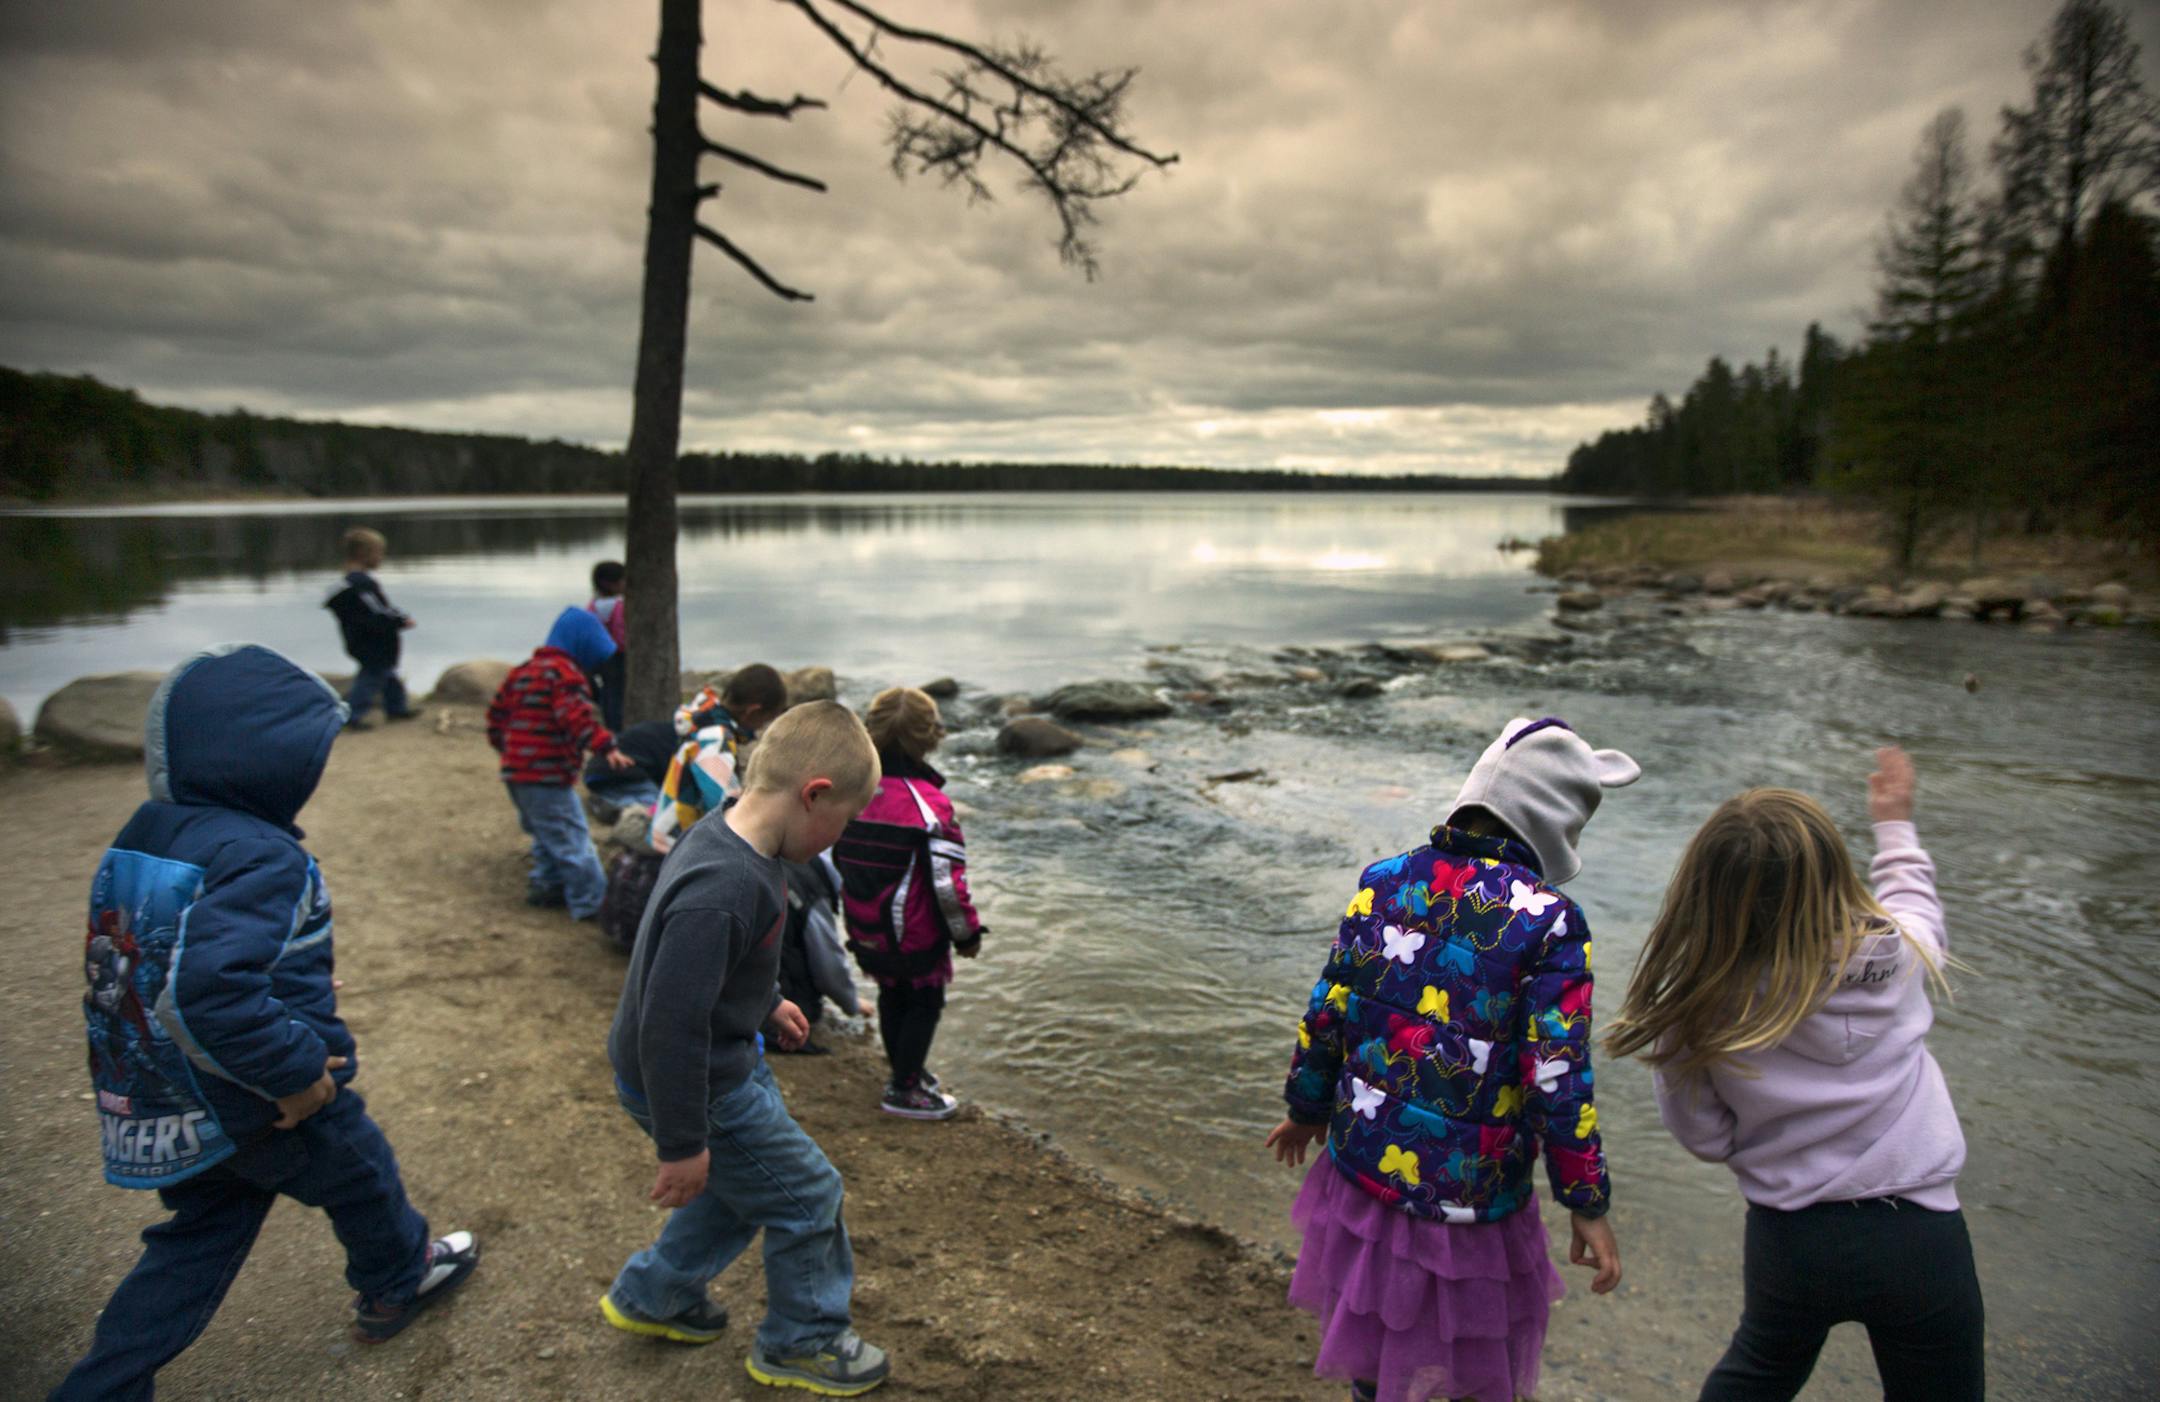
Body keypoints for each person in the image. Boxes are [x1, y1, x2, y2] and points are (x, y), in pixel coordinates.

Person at [51, 645, 479, 1401]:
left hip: (169, 1087)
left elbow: (154, 955)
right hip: (263, 1096)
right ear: (264, 762)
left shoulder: (146, 832)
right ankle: (397, 1278)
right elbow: (207, 995)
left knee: (196, 1241)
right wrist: (297, 1078)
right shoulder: (264, 853)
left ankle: (103, 1386)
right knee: (362, 1174)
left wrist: (280, 974)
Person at [1266, 716, 1639, 1402]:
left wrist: (1306, 1107)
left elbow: (1328, 1007)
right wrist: (1584, 1199)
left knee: (1375, 1353)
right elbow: (1556, 1078)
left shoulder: (1383, 880)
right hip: (1468, 1203)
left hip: (1362, 1176)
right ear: (1557, 826)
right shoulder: (1552, 921)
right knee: (1467, 1366)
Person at [1607, 748, 1980, 1402]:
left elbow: (1703, 1136)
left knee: (1758, 1373)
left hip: (1794, 1237)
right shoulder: (1904, 953)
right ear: (1835, 876)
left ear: (1707, 894)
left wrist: (1763, 1134)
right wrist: (1894, 825)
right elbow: (1915, 897)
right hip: (1921, 1234)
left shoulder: (1698, 1006)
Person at [600, 701, 893, 1397]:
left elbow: (713, 971)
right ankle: (803, 1341)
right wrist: (682, 1143)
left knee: (741, 1193)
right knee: (808, 1195)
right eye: (843, 822)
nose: (836, 841)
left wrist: (766, 1002)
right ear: (813, 794)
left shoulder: (730, 836)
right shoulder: (727, 888)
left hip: (723, 1062)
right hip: (699, 1082)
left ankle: (654, 1296)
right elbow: (670, 1025)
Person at [831, 686, 983, 1121]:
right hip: (914, 933)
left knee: (890, 994)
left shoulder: (855, 792)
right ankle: (904, 1087)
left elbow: (836, 856)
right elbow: (948, 886)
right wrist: (967, 935)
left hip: (864, 925)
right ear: (930, 736)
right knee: (924, 1002)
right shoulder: (929, 806)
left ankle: (902, 1070)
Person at [486, 607, 635, 920]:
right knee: (573, 840)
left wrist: (510, 752)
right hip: (547, 775)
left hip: (517, 774)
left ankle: (547, 884)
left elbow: (496, 717)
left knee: (545, 832)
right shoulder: (565, 675)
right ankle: (592, 903)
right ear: (580, 647)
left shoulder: (522, 670)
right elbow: (575, 717)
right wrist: (605, 745)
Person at [649, 665, 789, 856]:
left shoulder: (706, 717)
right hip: (674, 843)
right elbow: (726, 804)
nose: (760, 729)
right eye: (765, 720)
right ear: (752, 711)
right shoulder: (715, 740)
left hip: (671, 830)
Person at [773, 852, 875, 1055]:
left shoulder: (777, 859)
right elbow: (828, 966)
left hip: (748, 998)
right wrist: (852, 1003)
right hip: (781, 1009)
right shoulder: (811, 885)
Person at [324, 527, 417, 729]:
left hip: (360, 639)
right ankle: (352, 714)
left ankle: (396, 707)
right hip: (372, 641)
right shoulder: (360, 584)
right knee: (372, 676)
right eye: (379, 552)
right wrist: (401, 621)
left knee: (387, 674)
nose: (381, 558)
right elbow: (377, 610)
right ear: (363, 554)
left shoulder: (345, 585)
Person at [588, 560, 629, 733]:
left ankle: (607, 723)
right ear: (611, 584)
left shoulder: (592, 605)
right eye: (622, 580)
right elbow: (621, 634)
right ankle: (617, 727)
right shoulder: (619, 606)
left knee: (607, 690)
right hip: (617, 656)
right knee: (617, 692)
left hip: (597, 656)